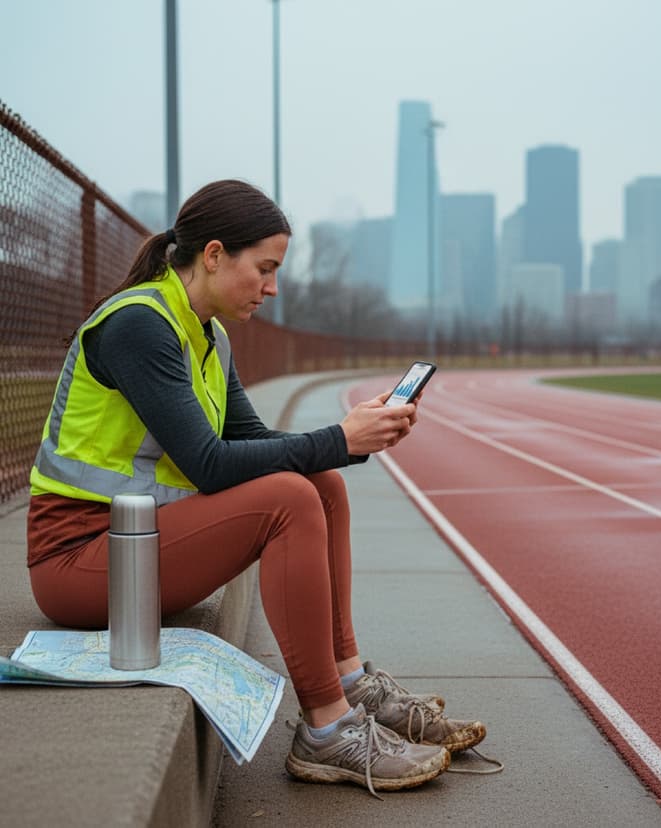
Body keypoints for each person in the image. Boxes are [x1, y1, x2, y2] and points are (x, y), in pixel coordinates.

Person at [26, 179, 487, 797]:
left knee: (317, 482)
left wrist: (349, 438)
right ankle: (326, 729)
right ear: (214, 255)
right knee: (289, 499)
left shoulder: (207, 334)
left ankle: (349, 681)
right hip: (79, 561)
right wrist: (339, 436)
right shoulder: (140, 325)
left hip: (137, 546)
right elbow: (211, 464)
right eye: (265, 269)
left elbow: (252, 439)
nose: (273, 289)